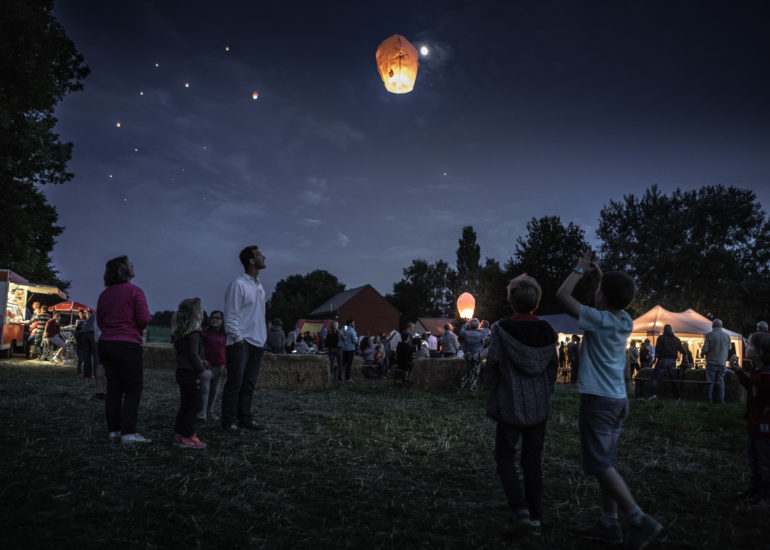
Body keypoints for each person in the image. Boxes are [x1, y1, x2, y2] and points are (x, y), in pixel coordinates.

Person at [557, 249, 663, 549]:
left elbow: (562, 296)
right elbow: (614, 297)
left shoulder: (597, 319)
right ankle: (609, 523)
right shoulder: (625, 320)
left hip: (598, 401)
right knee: (607, 462)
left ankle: (639, 518)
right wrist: (600, 274)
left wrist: (579, 269)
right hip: (618, 401)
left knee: (600, 463)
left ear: (601, 296)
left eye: (599, 290)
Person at [486, 275, 558, 538]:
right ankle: (536, 516)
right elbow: (552, 368)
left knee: (504, 456)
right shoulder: (549, 331)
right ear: (536, 300)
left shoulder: (501, 329)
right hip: (539, 405)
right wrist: (545, 392)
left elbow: (492, 364)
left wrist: (491, 394)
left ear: (511, 300)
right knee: (532, 460)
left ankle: (520, 510)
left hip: (510, 403)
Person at [97, 255, 152, 444]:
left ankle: (114, 431)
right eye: (130, 265)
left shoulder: (104, 294)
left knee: (114, 389)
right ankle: (129, 432)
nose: (133, 266)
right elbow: (144, 319)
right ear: (124, 270)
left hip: (106, 344)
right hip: (127, 344)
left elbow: (100, 321)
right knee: (133, 388)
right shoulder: (135, 292)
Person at [222, 245, 268, 433]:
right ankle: (228, 422)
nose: (264, 257)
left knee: (249, 384)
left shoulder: (260, 286)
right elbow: (231, 315)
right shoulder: (238, 284)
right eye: (259, 255)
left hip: (257, 342)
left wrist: (262, 338)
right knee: (235, 383)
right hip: (242, 343)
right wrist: (239, 339)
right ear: (250, 261)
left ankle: (245, 419)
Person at [729, 332, 770, 504]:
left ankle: (765, 495)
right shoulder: (757, 371)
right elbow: (752, 389)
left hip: (764, 426)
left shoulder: (767, 376)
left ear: (760, 352)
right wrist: (738, 371)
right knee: (752, 457)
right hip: (754, 423)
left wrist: (765, 422)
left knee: (765, 460)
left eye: (750, 344)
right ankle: (755, 489)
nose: (746, 347)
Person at [171, 298, 212, 449]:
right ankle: (187, 436)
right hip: (189, 373)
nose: (202, 313)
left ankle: (179, 434)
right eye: (200, 310)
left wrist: (203, 361)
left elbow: (187, 354)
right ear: (195, 314)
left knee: (186, 404)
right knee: (195, 404)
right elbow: (193, 355)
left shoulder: (181, 332)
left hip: (182, 372)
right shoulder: (193, 333)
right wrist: (202, 371)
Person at [199, 310, 226, 421]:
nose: (215, 320)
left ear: (222, 321)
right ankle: (202, 412)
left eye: (218, 318)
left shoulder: (225, 335)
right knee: (205, 389)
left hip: (219, 367)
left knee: (214, 390)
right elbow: (201, 347)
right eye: (213, 318)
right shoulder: (205, 333)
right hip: (206, 365)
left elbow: (227, 351)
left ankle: (210, 410)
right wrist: (202, 359)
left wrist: (226, 365)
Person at [649, 325, 685, 400]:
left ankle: (654, 394)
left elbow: (657, 349)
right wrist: (686, 356)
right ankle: (677, 397)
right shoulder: (676, 339)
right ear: (671, 330)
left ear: (664, 330)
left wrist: (654, 360)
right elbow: (683, 350)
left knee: (655, 377)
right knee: (674, 379)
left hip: (662, 360)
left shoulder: (661, 338)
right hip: (672, 361)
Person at [702, 319, 731, 404]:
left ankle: (709, 400)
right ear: (721, 326)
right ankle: (720, 400)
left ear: (713, 326)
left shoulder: (710, 335)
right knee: (721, 382)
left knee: (710, 382)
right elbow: (729, 348)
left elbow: (705, 349)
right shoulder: (727, 336)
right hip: (722, 363)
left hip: (711, 362)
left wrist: (702, 353)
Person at [459, 318, 485, 392]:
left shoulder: (466, 333)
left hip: (468, 355)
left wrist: (465, 323)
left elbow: (461, 331)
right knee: (475, 372)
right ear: (478, 325)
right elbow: (483, 343)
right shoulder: (481, 334)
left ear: (470, 325)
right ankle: (472, 388)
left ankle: (462, 387)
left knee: (467, 371)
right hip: (476, 355)